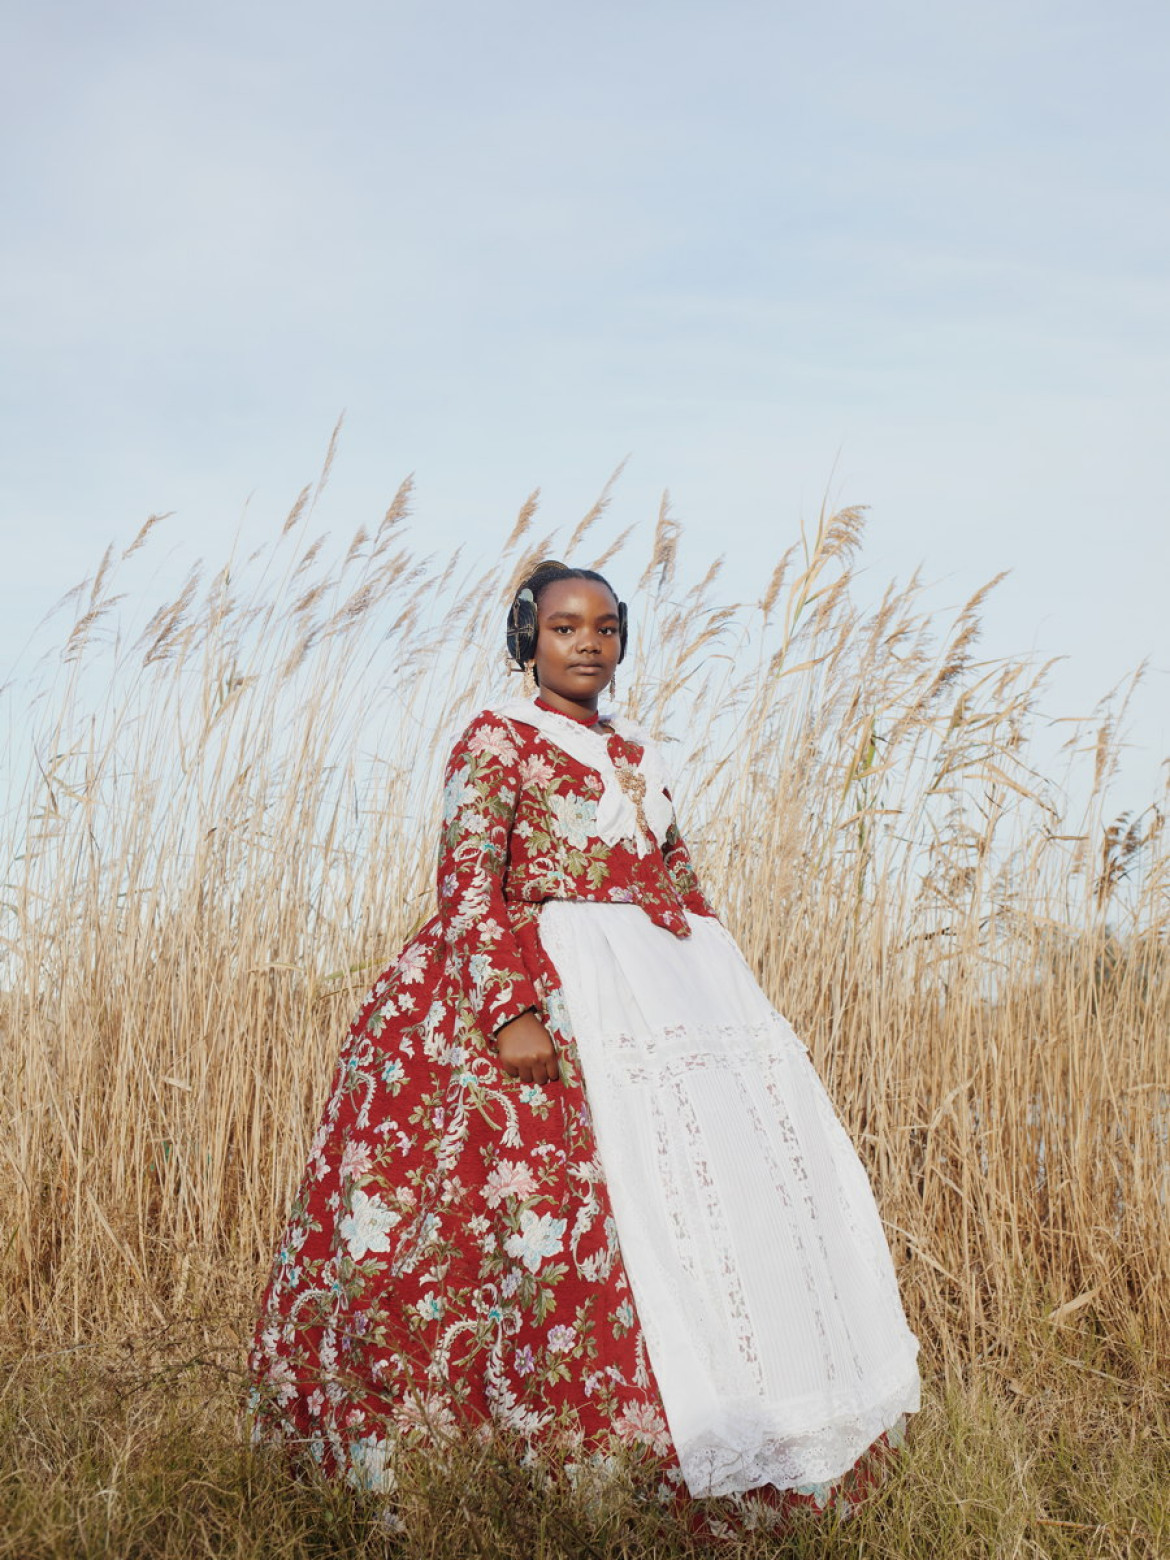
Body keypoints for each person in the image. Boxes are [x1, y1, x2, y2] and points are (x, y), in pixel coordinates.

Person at [248, 559, 920, 1514]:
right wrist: (511, 1010)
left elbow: (679, 878)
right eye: (565, 627)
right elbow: (469, 881)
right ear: (529, 637)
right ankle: (489, 1457)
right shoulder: (496, 738)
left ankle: (742, 1428)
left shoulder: (644, 755)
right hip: (544, 983)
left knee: (702, 1203)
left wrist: (734, 1001)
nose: (588, 643)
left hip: (660, 992)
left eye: (605, 628)